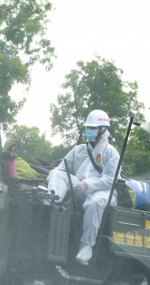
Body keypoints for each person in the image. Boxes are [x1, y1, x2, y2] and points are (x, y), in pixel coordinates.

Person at [47, 110, 120, 265]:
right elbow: (62, 169)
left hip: (103, 191)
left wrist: (87, 184)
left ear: (103, 129)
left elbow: (110, 180)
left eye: (93, 128)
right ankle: (52, 206)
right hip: (80, 188)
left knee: (96, 203)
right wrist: (54, 174)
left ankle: (86, 246)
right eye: (88, 128)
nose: (89, 131)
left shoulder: (111, 152)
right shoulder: (78, 150)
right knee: (57, 173)